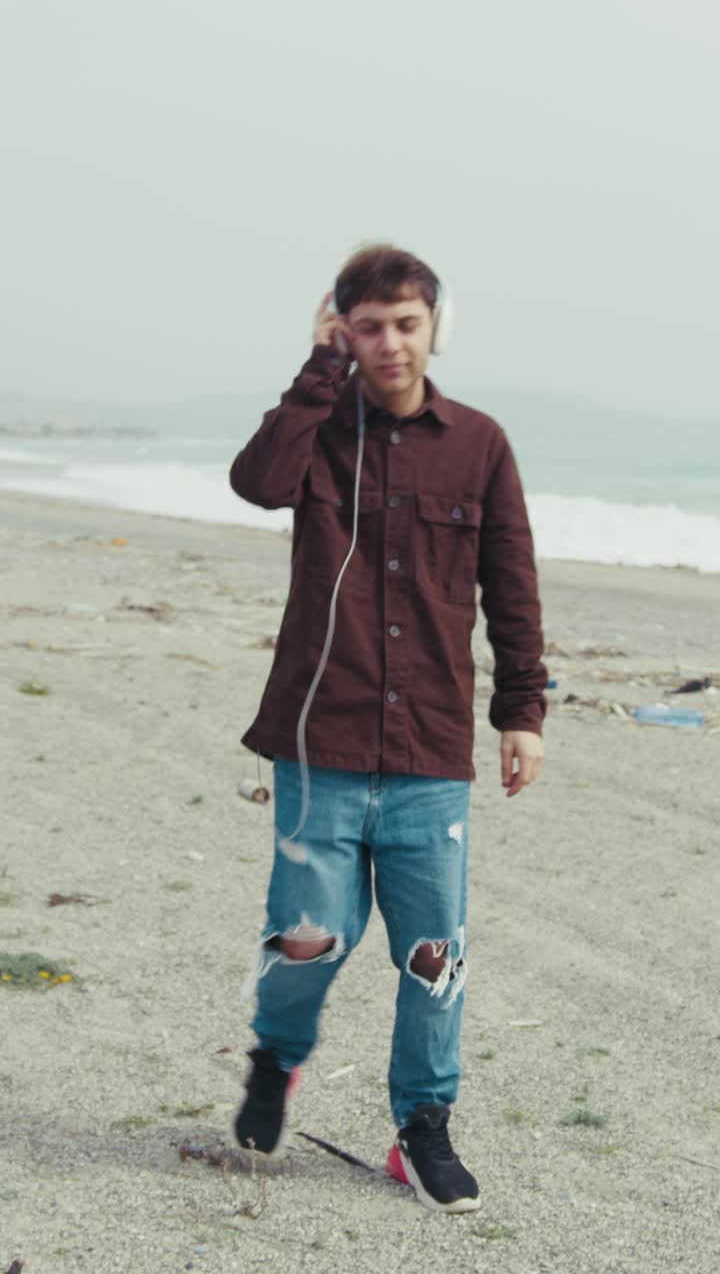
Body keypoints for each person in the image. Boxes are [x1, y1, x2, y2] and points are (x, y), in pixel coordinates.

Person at [228, 244, 546, 1213]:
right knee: (308, 938)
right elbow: (257, 481)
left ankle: (423, 1128)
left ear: (433, 327)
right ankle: (274, 1060)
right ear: (344, 330)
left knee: (434, 956)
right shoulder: (318, 430)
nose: (390, 343)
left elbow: (512, 584)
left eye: (407, 323)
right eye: (369, 326)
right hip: (318, 741)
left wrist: (522, 711)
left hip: (430, 750)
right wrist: (318, 371)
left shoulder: (481, 443)